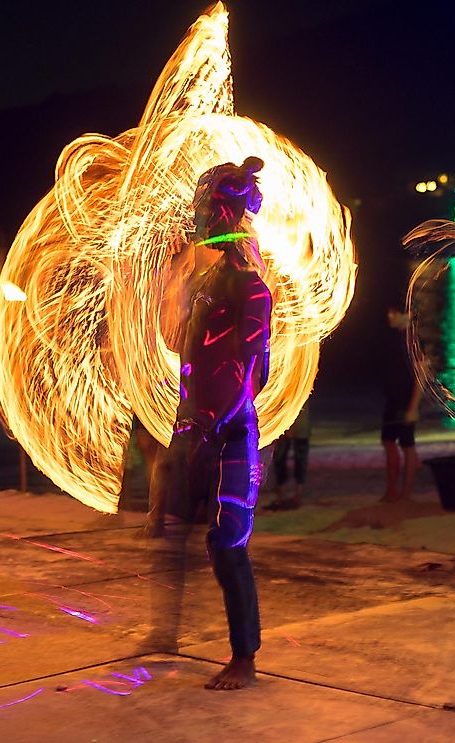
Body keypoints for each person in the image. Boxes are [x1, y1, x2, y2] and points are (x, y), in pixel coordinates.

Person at [148, 156, 271, 691]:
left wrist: (207, 425)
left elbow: (250, 372)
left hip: (230, 433)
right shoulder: (203, 280)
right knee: (170, 534)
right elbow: (182, 348)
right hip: (190, 428)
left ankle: (244, 657)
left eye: (204, 207)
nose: (195, 217)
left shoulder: (250, 287)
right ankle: (164, 633)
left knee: (226, 545)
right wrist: (171, 280)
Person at [380, 307, 421, 502]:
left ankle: (406, 493)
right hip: (392, 399)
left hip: (405, 400)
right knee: (388, 441)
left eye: (393, 313)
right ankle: (391, 491)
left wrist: (413, 407)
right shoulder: (393, 338)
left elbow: (422, 375)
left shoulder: (411, 340)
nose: (389, 316)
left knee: (407, 445)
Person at [266, 401, 310, 510]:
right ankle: (286, 494)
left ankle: (292, 494)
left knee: (293, 458)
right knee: (284, 459)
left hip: (290, 423)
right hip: (290, 424)